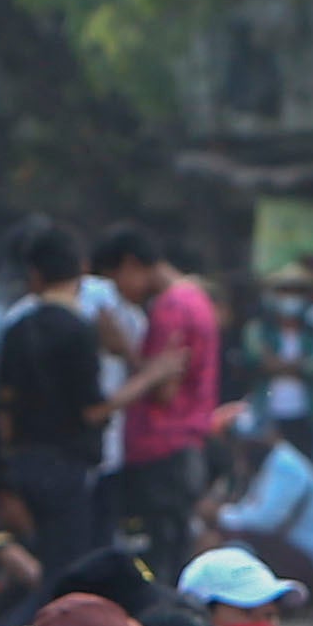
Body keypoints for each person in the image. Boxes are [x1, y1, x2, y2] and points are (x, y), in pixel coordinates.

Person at [0, 225, 111, 563]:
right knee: (66, 565)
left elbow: (3, 409)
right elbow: (92, 409)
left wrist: (1, 469)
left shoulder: (16, 329)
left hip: (24, 464)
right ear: (81, 268)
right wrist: (146, 378)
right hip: (67, 466)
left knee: (33, 559)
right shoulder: (80, 330)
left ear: (35, 276)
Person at [94, 230, 225, 564]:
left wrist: (126, 352)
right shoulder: (196, 299)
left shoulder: (170, 308)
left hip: (162, 448)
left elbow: (165, 387)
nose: (120, 293)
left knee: (159, 558)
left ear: (131, 265)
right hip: (185, 446)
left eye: (116, 280)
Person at [206, 400, 313, 595]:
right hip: (302, 554)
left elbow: (263, 521)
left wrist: (218, 515)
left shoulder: (284, 466)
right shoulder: (266, 466)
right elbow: (248, 510)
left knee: (239, 539)